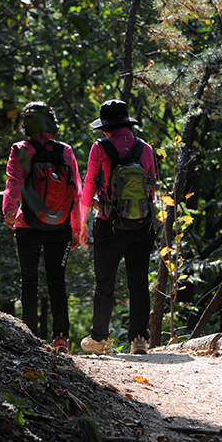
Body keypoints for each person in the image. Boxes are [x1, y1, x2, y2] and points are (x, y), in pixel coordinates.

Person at [2, 102, 83, 354]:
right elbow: (77, 192)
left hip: (27, 223)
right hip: (60, 226)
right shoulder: (65, 150)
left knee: (29, 281)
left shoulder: (21, 149)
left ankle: (30, 337)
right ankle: (61, 339)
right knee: (57, 281)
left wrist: (8, 210)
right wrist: (77, 227)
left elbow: (14, 181)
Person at [79, 99, 157, 355]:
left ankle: (99, 339)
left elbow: (89, 185)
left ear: (105, 127)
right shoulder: (144, 148)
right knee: (139, 281)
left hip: (108, 224)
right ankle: (139, 340)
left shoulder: (100, 148)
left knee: (105, 284)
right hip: (142, 224)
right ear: (126, 123)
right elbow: (151, 187)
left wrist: (82, 222)